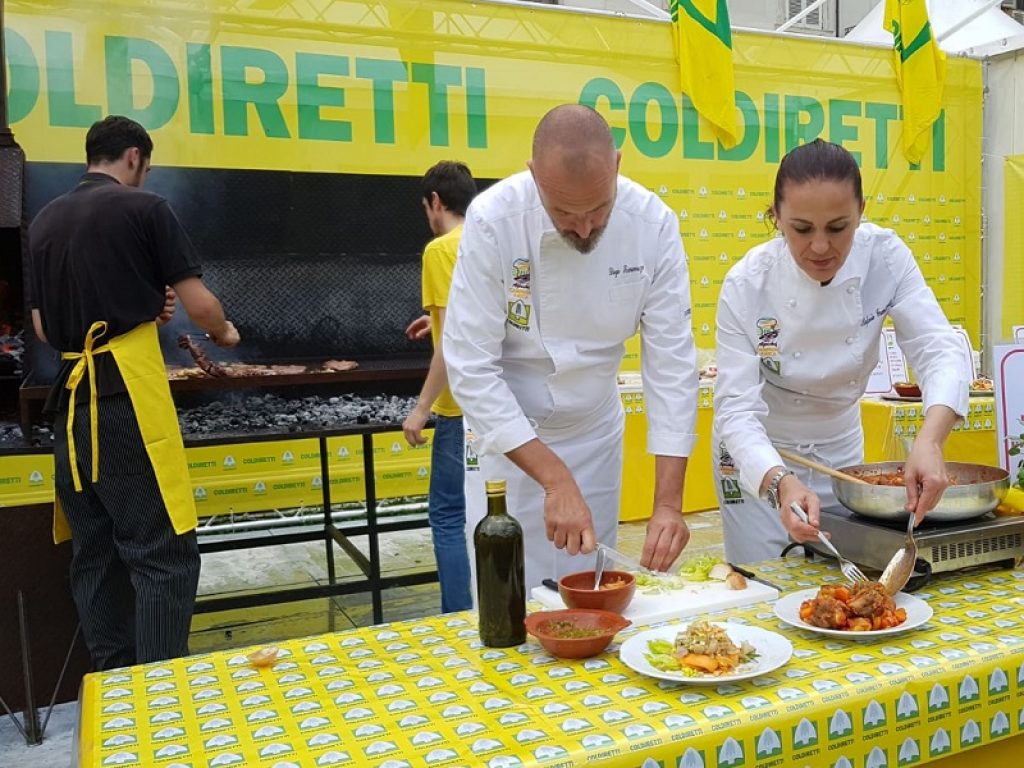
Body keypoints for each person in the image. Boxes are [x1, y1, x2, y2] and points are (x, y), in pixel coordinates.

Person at [443, 104, 699, 592]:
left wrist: (668, 504)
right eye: (562, 212)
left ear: (617, 165)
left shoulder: (653, 225)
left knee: (590, 589)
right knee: (506, 593)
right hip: (510, 435)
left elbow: (670, 366)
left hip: (593, 430)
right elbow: (470, 367)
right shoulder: (494, 220)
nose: (583, 228)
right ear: (533, 174)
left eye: (599, 209)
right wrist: (554, 479)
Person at [28, 115, 240, 670]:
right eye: (145, 165)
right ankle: (161, 691)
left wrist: (139, 307)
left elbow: (44, 329)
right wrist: (224, 333)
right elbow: (201, 306)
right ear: (133, 157)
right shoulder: (146, 208)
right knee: (163, 552)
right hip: (124, 400)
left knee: (95, 550)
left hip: (71, 405)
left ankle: (115, 689)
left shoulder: (44, 220)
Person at [713, 139, 969, 564]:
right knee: (765, 580)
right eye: (801, 229)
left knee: (840, 573)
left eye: (837, 228)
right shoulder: (747, 284)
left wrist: (931, 440)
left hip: (840, 451)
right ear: (776, 216)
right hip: (760, 454)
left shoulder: (885, 258)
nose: (820, 247)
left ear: (861, 211)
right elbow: (736, 411)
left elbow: (939, 349)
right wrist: (780, 482)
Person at [402, 161, 478, 613]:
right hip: (496, 403)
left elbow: (452, 344)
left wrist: (421, 408)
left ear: (435, 201)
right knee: (490, 511)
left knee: (449, 515)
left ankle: (458, 616)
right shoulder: (488, 240)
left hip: (459, 408)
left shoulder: (440, 250)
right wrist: (435, 317)